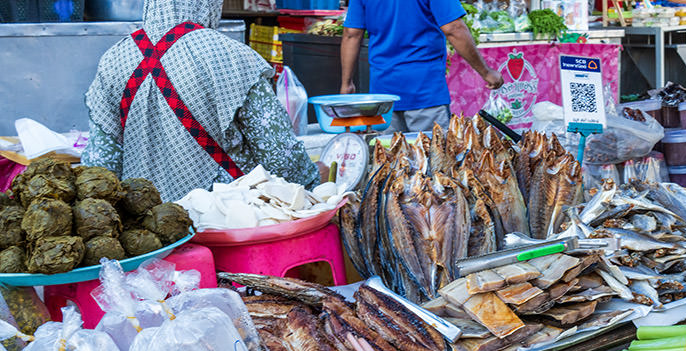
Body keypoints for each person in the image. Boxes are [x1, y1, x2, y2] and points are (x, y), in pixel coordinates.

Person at [82, 0, 319, 202]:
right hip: (225, 214)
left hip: (148, 229)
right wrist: (315, 188)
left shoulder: (113, 61)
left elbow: (100, 165)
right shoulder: (232, 56)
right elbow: (280, 155)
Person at [340, 0, 504, 134]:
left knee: (390, 165)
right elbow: (454, 28)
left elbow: (351, 34)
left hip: (383, 96)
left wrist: (346, 83)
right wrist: (486, 72)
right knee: (432, 166)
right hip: (425, 93)